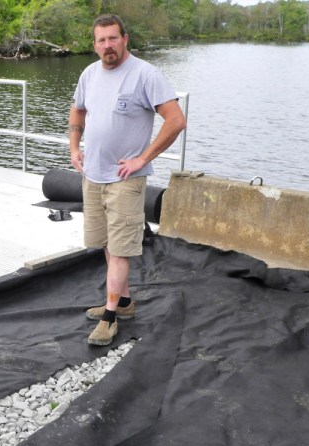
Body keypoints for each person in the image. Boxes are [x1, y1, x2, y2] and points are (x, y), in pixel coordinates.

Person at [69, 13, 186, 346]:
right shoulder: (89, 74)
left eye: (113, 38)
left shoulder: (145, 75)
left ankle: (109, 318)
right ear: (94, 45)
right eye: (101, 40)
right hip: (93, 174)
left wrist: (143, 158)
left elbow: (175, 121)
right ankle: (124, 302)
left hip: (126, 179)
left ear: (125, 39)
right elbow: (78, 110)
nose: (108, 45)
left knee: (120, 250)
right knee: (106, 242)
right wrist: (74, 147)